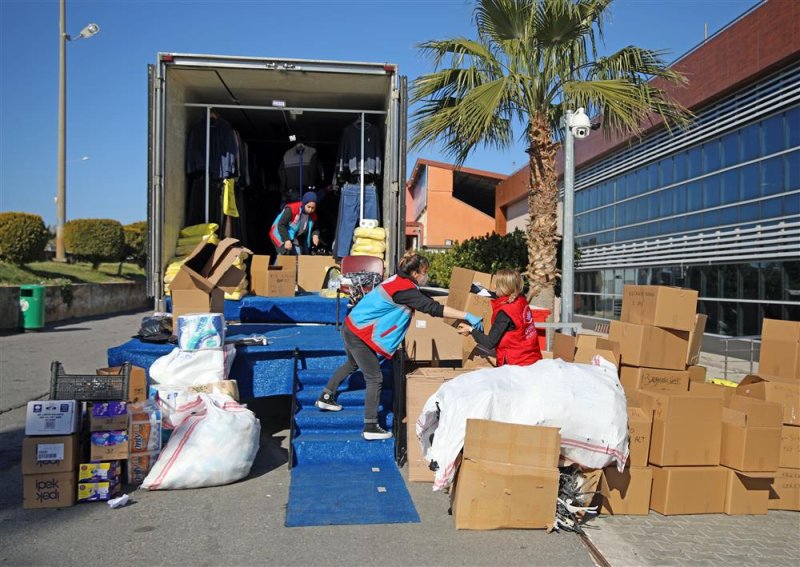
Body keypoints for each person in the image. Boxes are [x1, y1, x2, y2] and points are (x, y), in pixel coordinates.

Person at [316, 251, 485, 440]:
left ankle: (326, 396)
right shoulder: (405, 291)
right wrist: (466, 315)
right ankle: (370, 426)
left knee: (353, 364)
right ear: (415, 274)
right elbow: (433, 308)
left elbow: (422, 297)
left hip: (352, 325)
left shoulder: (397, 280)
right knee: (375, 378)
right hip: (360, 334)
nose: (426, 275)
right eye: (425, 272)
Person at [457, 269, 542, 367]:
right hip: (532, 359)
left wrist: (471, 330)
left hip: (516, 365)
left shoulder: (505, 313)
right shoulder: (521, 300)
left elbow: (489, 343)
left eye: (497, 285)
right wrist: (479, 290)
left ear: (504, 288)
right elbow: (498, 297)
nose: (494, 287)